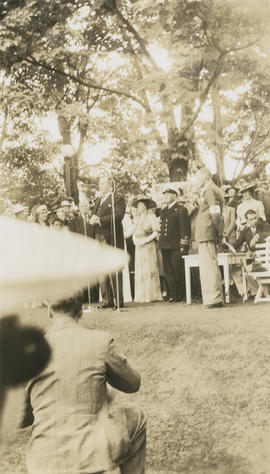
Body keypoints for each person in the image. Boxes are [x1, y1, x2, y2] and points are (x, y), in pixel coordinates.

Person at [21, 294, 146, 474]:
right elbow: (133, 383)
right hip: (91, 454)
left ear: (50, 310)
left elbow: (19, 418)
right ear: (80, 310)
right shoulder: (100, 341)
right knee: (136, 416)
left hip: (44, 463)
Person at [90, 176, 126, 308]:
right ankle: (106, 300)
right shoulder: (98, 200)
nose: (99, 184)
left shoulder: (117, 198)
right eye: (99, 182)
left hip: (111, 237)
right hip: (98, 237)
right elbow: (95, 215)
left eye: (102, 182)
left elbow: (118, 216)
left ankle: (118, 300)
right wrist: (92, 219)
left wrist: (99, 220)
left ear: (110, 186)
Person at [194, 167, 224, 308]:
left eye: (198, 177)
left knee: (209, 266)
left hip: (208, 232)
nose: (196, 180)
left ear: (205, 177)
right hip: (206, 232)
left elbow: (215, 212)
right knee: (208, 266)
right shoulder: (209, 190)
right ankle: (212, 297)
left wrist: (218, 231)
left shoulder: (211, 189)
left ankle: (214, 298)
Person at [159, 188, 190, 303]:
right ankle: (173, 295)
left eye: (168, 194)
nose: (165, 196)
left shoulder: (181, 210)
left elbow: (185, 228)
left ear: (174, 196)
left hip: (176, 245)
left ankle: (181, 295)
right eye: (164, 194)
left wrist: (184, 245)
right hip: (165, 244)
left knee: (178, 270)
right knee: (168, 271)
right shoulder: (163, 210)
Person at [132, 198, 162, 303]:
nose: (139, 207)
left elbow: (155, 232)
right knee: (140, 270)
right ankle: (141, 295)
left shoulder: (151, 216)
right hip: (139, 247)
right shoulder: (136, 218)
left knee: (149, 269)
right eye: (138, 206)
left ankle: (152, 295)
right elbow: (133, 232)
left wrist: (145, 240)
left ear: (145, 206)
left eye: (141, 205)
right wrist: (136, 241)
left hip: (148, 245)